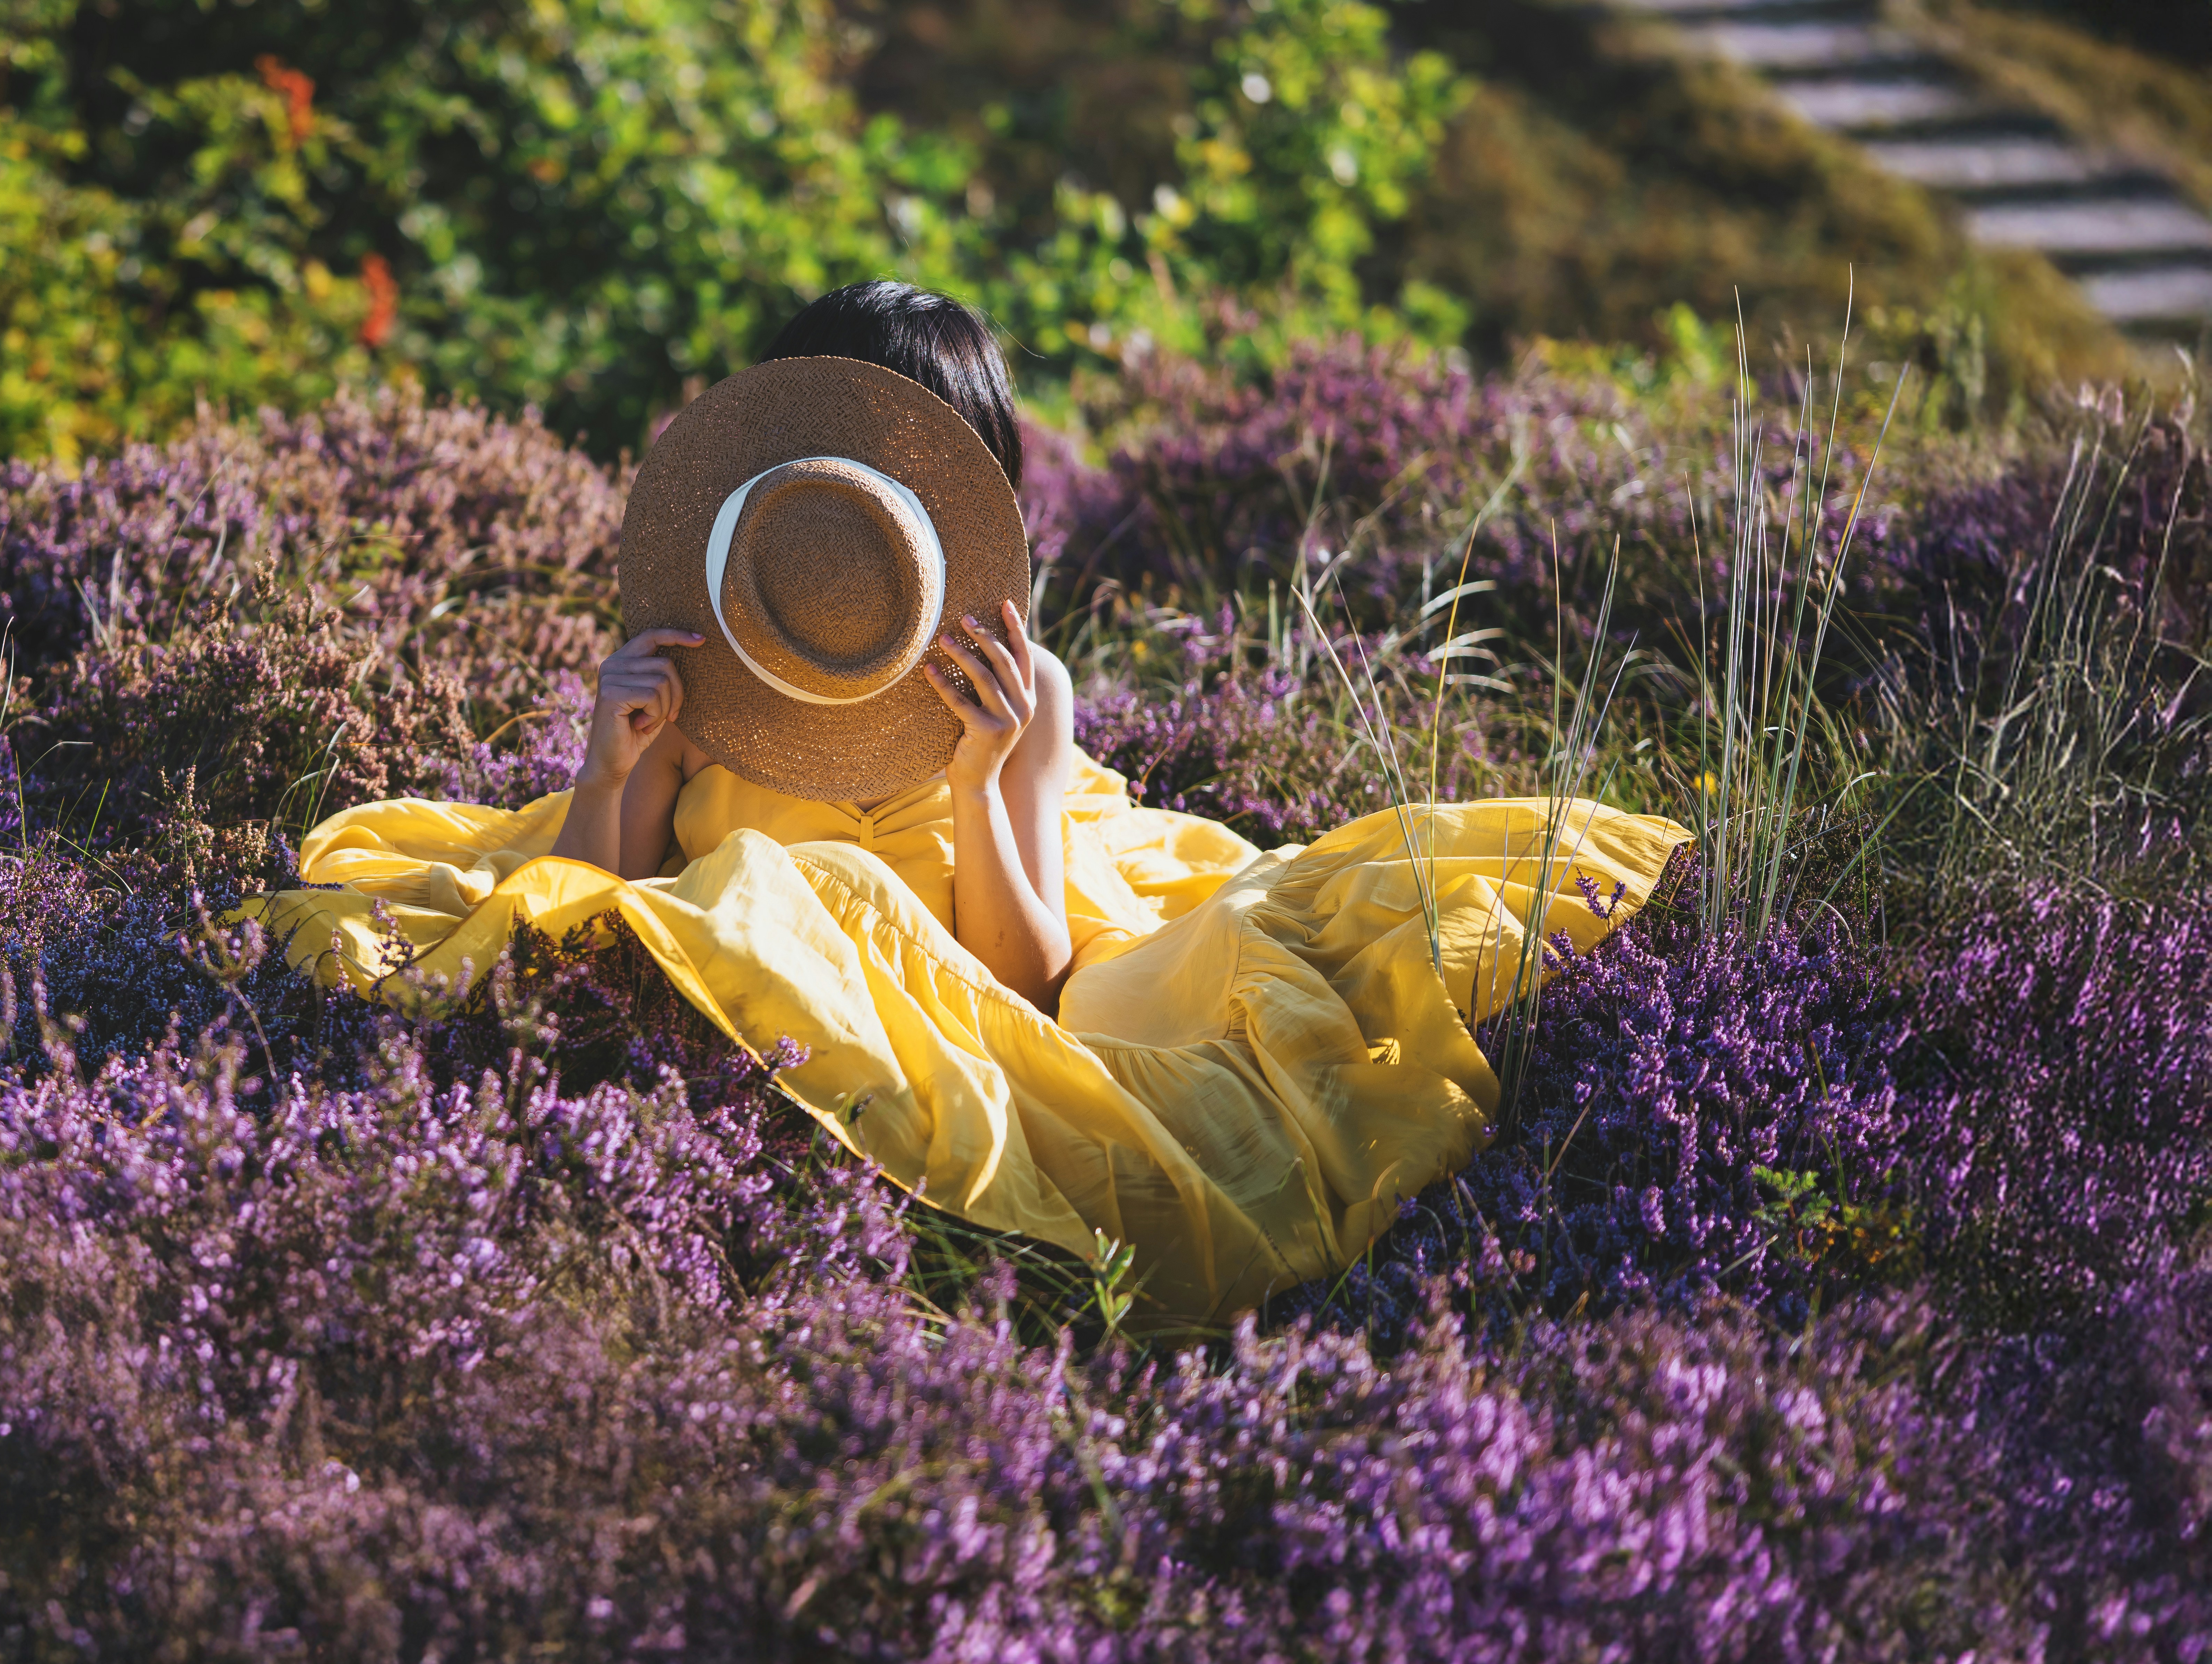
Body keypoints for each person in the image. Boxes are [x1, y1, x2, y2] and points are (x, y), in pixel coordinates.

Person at [242, 281, 1691, 1330]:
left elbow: (1027, 980)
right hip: (754, 994)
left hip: (965, 983)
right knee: (744, 891)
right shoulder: (713, 660)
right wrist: (617, 764)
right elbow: (586, 894)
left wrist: (990, 770)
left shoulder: (1020, 690)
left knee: (882, 916)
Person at [550, 282, 1081, 1014]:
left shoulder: (1020, 692)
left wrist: (977, 785)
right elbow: (572, 953)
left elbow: (1030, 994)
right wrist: (603, 776)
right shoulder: (696, 676)